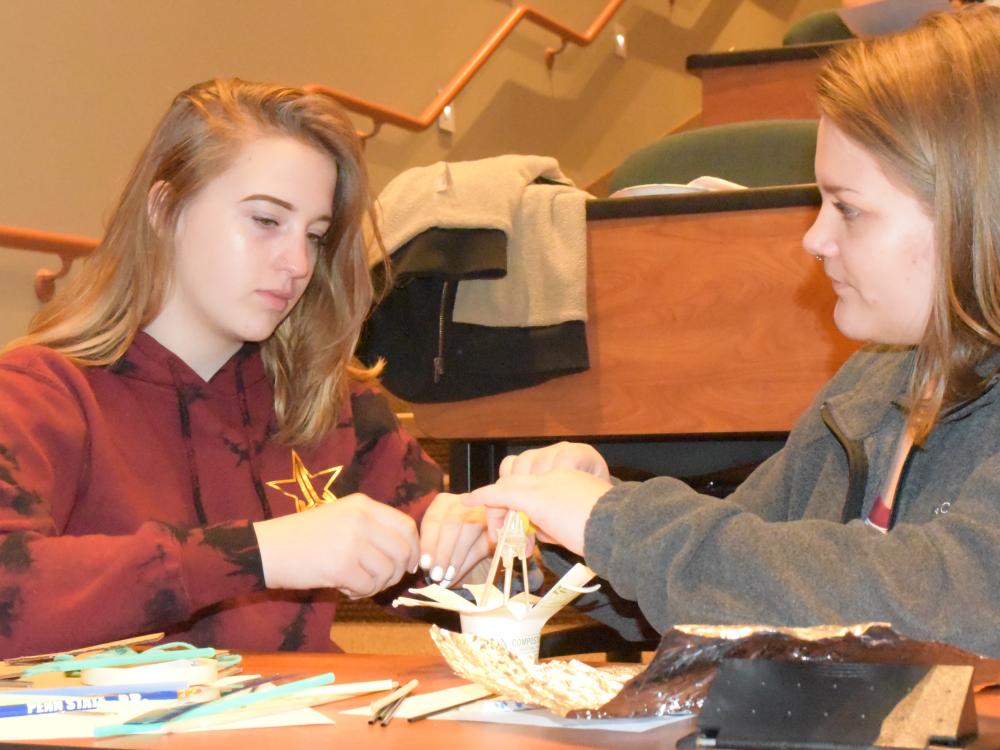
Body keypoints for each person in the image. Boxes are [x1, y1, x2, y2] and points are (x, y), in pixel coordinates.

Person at [464, 5, 1000, 657]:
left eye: (849, 210)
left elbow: (953, 599)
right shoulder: (877, 379)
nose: (815, 237)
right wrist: (573, 526)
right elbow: (737, 577)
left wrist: (613, 522)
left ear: (975, 210)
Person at [0, 78, 485, 656]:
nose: (298, 262)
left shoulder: (333, 404)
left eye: (315, 235)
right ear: (164, 209)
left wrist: (495, 538)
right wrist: (261, 554)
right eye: (265, 221)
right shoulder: (39, 394)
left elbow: (460, 588)